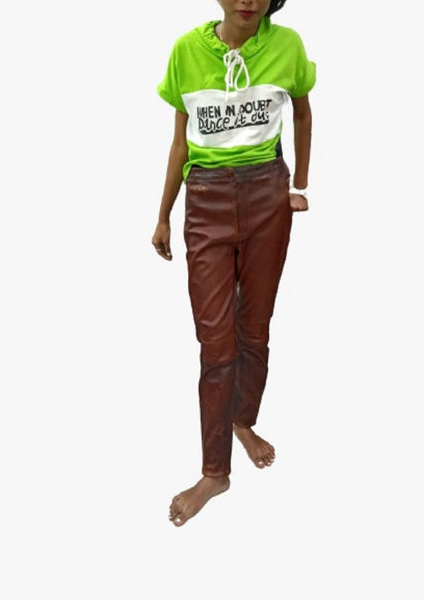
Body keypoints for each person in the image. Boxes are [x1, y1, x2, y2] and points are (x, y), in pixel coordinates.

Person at [151, 0, 316, 527]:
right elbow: (180, 141)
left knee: (256, 327)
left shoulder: (287, 45)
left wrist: (297, 185)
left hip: (268, 194)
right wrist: (163, 215)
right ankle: (214, 472)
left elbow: (302, 111)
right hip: (206, 201)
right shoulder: (186, 51)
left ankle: (244, 421)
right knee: (216, 343)